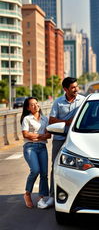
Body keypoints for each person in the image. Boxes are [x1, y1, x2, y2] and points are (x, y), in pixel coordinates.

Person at [46, 77, 86, 207]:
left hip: (77, 139)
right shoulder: (58, 102)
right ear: (65, 89)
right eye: (73, 87)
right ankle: (52, 196)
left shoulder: (83, 101)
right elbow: (51, 120)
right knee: (55, 167)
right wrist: (67, 122)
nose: (76, 89)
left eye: (77, 86)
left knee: (79, 168)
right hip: (59, 138)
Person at [20, 97, 51, 209]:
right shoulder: (27, 119)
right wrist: (41, 136)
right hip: (30, 147)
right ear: (28, 108)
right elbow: (25, 134)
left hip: (42, 147)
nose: (36, 106)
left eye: (36, 103)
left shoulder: (45, 119)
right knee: (35, 170)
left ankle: (41, 199)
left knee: (44, 173)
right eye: (32, 105)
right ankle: (27, 194)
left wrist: (37, 136)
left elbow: (49, 135)